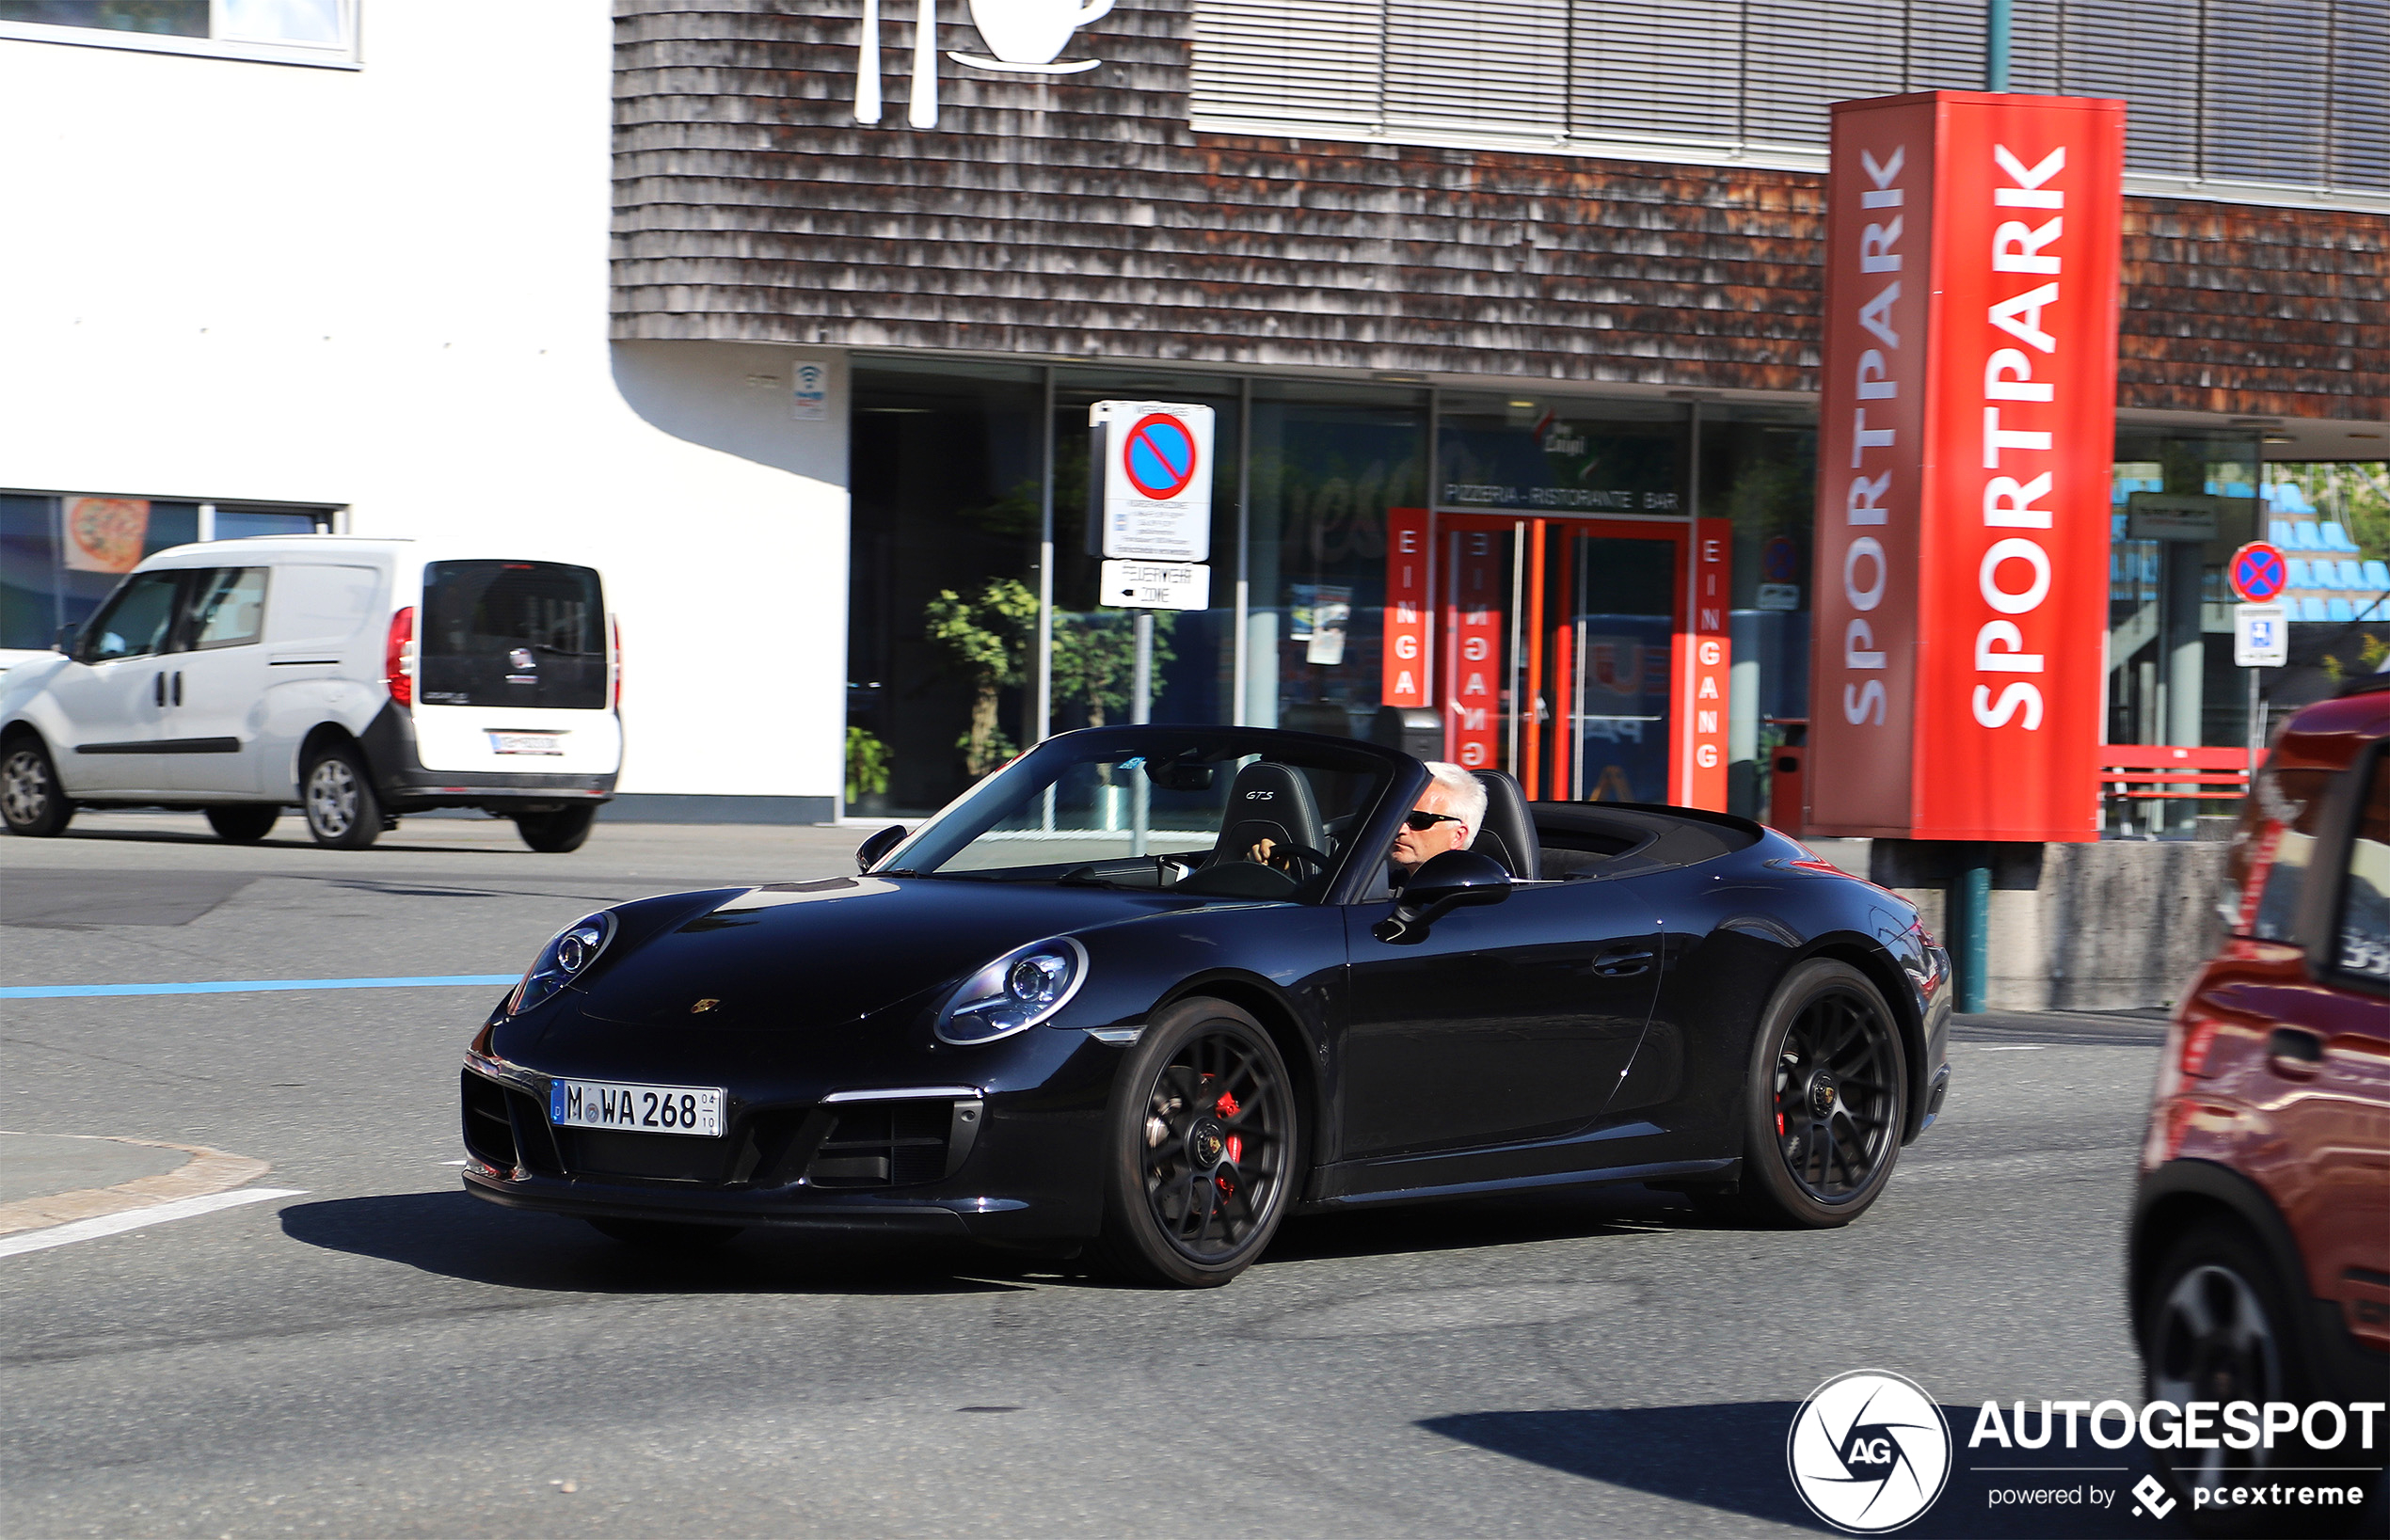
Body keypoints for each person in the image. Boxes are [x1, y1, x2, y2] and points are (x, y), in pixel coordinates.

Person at [1391, 761, 1485, 881]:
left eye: (1419, 820)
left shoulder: (1472, 896)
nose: (1401, 829)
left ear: (1457, 836)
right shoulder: (1378, 886)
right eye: (1398, 816)